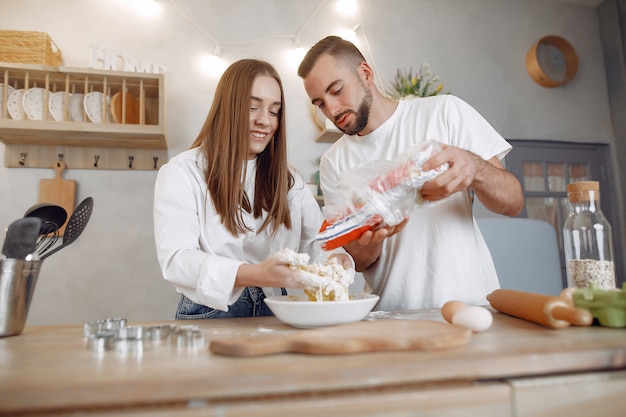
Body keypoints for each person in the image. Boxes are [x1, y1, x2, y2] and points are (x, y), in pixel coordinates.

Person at [298, 36, 524, 311]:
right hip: (392, 317)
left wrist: (474, 168)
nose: (331, 110)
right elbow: (359, 262)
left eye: (337, 90)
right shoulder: (333, 161)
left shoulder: (444, 112)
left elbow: (513, 202)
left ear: (365, 73)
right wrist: (373, 236)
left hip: (471, 304)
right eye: (320, 103)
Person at [154, 59, 326, 319]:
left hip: (278, 309)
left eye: (274, 111)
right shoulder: (182, 172)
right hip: (212, 310)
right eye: (252, 107)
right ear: (227, 108)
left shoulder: (290, 180)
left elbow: (319, 241)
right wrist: (254, 274)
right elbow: (177, 260)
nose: (264, 121)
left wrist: (337, 259)